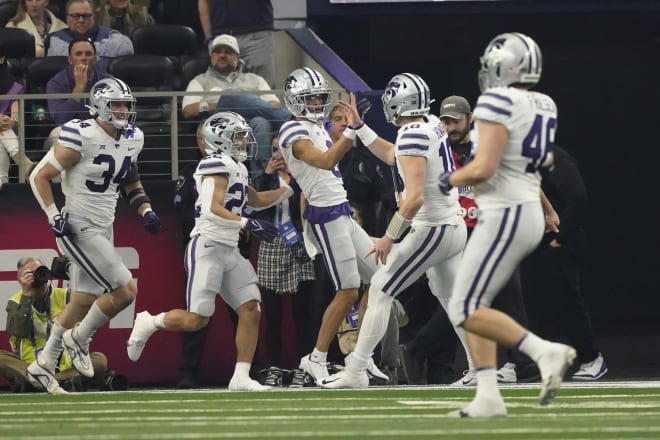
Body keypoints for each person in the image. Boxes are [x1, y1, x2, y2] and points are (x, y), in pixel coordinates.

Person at [437, 32, 576, 417]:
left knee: (463, 307)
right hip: (523, 205)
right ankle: (488, 395)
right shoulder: (544, 103)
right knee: (472, 302)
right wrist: (546, 209)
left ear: (502, 66)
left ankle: (542, 350)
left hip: (506, 210)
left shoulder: (497, 100)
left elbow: (485, 168)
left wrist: (448, 179)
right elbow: (533, 164)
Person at [126, 111, 294, 392]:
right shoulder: (214, 164)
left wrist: (289, 187)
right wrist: (246, 222)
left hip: (229, 248)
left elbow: (255, 199)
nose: (243, 141)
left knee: (251, 309)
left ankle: (240, 377)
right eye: (238, 136)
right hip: (208, 245)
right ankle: (149, 321)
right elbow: (211, 210)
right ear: (221, 138)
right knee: (197, 319)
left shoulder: (235, 166)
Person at [319, 72, 467, 390]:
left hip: (433, 227)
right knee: (454, 301)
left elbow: (414, 198)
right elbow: (393, 155)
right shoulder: (428, 125)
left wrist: (389, 236)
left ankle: (356, 369)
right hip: (450, 225)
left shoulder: (413, 134)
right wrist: (360, 128)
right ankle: (482, 369)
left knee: (380, 289)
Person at [27, 77, 161, 394]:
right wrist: (53, 216)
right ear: (100, 105)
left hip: (104, 224)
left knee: (83, 300)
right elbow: (38, 176)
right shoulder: (81, 134)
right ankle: (80, 337)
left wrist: (146, 210)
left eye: (127, 104)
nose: (124, 109)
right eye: (117, 103)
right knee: (126, 290)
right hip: (77, 224)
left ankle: (43, 365)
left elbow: (129, 178)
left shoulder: (133, 137)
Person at [403, 95, 538, 386]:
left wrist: (547, 212)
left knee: (503, 294)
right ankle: (506, 363)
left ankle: (516, 363)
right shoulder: (437, 145)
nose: (450, 127)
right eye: (445, 121)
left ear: (470, 118)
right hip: (454, 230)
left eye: (455, 121)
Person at [522, 144, 608, 381]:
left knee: (566, 300)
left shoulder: (556, 157)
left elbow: (578, 198)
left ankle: (591, 358)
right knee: (528, 302)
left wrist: (560, 238)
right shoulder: (515, 156)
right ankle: (528, 363)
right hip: (532, 240)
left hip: (559, 240)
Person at [181, 33, 290, 178]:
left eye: (228, 52)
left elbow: (274, 104)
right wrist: (221, 102)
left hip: (248, 126)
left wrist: (245, 103)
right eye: (218, 51)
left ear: (237, 57)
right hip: (219, 124)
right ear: (211, 56)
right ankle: (290, 119)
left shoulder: (255, 79)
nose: (222, 55)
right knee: (230, 95)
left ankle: (262, 179)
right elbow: (188, 110)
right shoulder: (200, 81)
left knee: (261, 122)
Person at [252, 144, 317, 384]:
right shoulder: (265, 176)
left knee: (304, 314)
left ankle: (306, 367)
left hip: (300, 242)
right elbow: (253, 205)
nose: (279, 154)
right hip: (272, 244)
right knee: (273, 314)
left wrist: (295, 170)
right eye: (275, 149)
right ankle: (274, 367)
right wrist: (268, 174)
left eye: (284, 149)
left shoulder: (304, 173)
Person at [0, 257, 108, 392]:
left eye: (39, 271)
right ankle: (62, 382)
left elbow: (99, 304)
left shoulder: (66, 296)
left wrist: (79, 287)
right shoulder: (16, 302)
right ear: (20, 280)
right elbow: (18, 330)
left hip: (65, 368)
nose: (36, 277)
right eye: (29, 274)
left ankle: (43, 383)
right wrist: (27, 295)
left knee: (99, 360)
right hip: (29, 366)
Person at [198, 0, 275, 88]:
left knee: (263, 90)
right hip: (221, 36)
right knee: (220, 92)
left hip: (256, 34)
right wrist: (209, 37)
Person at [46, 0, 134, 71]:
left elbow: (127, 46)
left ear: (93, 18)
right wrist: (102, 56)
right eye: (75, 16)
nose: (81, 20)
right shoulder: (57, 38)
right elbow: (58, 54)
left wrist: (80, 53)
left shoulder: (108, 33)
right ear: (67, 19)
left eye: (86, 16)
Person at [46, 35, 111, 127]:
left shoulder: (108, 81)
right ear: (70, 60)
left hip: (100, 129)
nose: (83, 58)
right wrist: (79, 87)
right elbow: (60, 120)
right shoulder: (56, 83)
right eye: (78, 54)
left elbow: (116, 115)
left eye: (88, 54)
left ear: (95, 60)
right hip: (68, 131)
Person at [0, 42, 33, 190]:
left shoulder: (13, 86)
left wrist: (11, 121)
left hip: (3, 129)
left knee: (3, 132)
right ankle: (27, 167)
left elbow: (16, 115)